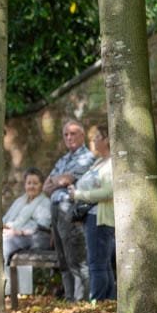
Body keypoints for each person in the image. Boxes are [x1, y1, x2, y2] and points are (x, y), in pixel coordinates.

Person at [42, 119, 95, 300]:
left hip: (70, 210)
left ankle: (83, 300)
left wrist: (57, 180)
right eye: (66, 134)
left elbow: (66, 180)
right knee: (63, 259)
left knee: (76, 259)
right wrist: (59, 180)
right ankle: (70, 299)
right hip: (56, 209)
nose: (69, 137)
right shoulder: (63, 159)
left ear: (82, 135)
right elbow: (46, 187)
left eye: (73, 134)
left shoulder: (87, 157)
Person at [71, 125, 115, 300]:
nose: (94, 140)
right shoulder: (99, 161)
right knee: (102, 263)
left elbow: (108, 192)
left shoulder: (111, 164)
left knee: (97, 264)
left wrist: (78, 194)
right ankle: (109, 301)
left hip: (100, 217)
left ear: (107, 140)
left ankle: (97, 301)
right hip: (91, 217)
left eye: (97, 137)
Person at [2, 167, 52, 265]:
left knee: (5, 245)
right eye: (29, 183)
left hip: (35, 237)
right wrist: (4, 227)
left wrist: (19, 232)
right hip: (15, 234)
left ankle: (4, 277)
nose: (31, 186)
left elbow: (41, 227)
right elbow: (7, 220)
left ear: (41, 185)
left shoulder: (45, 203)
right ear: (25, 185)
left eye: (35, 183)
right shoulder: (20, 201)